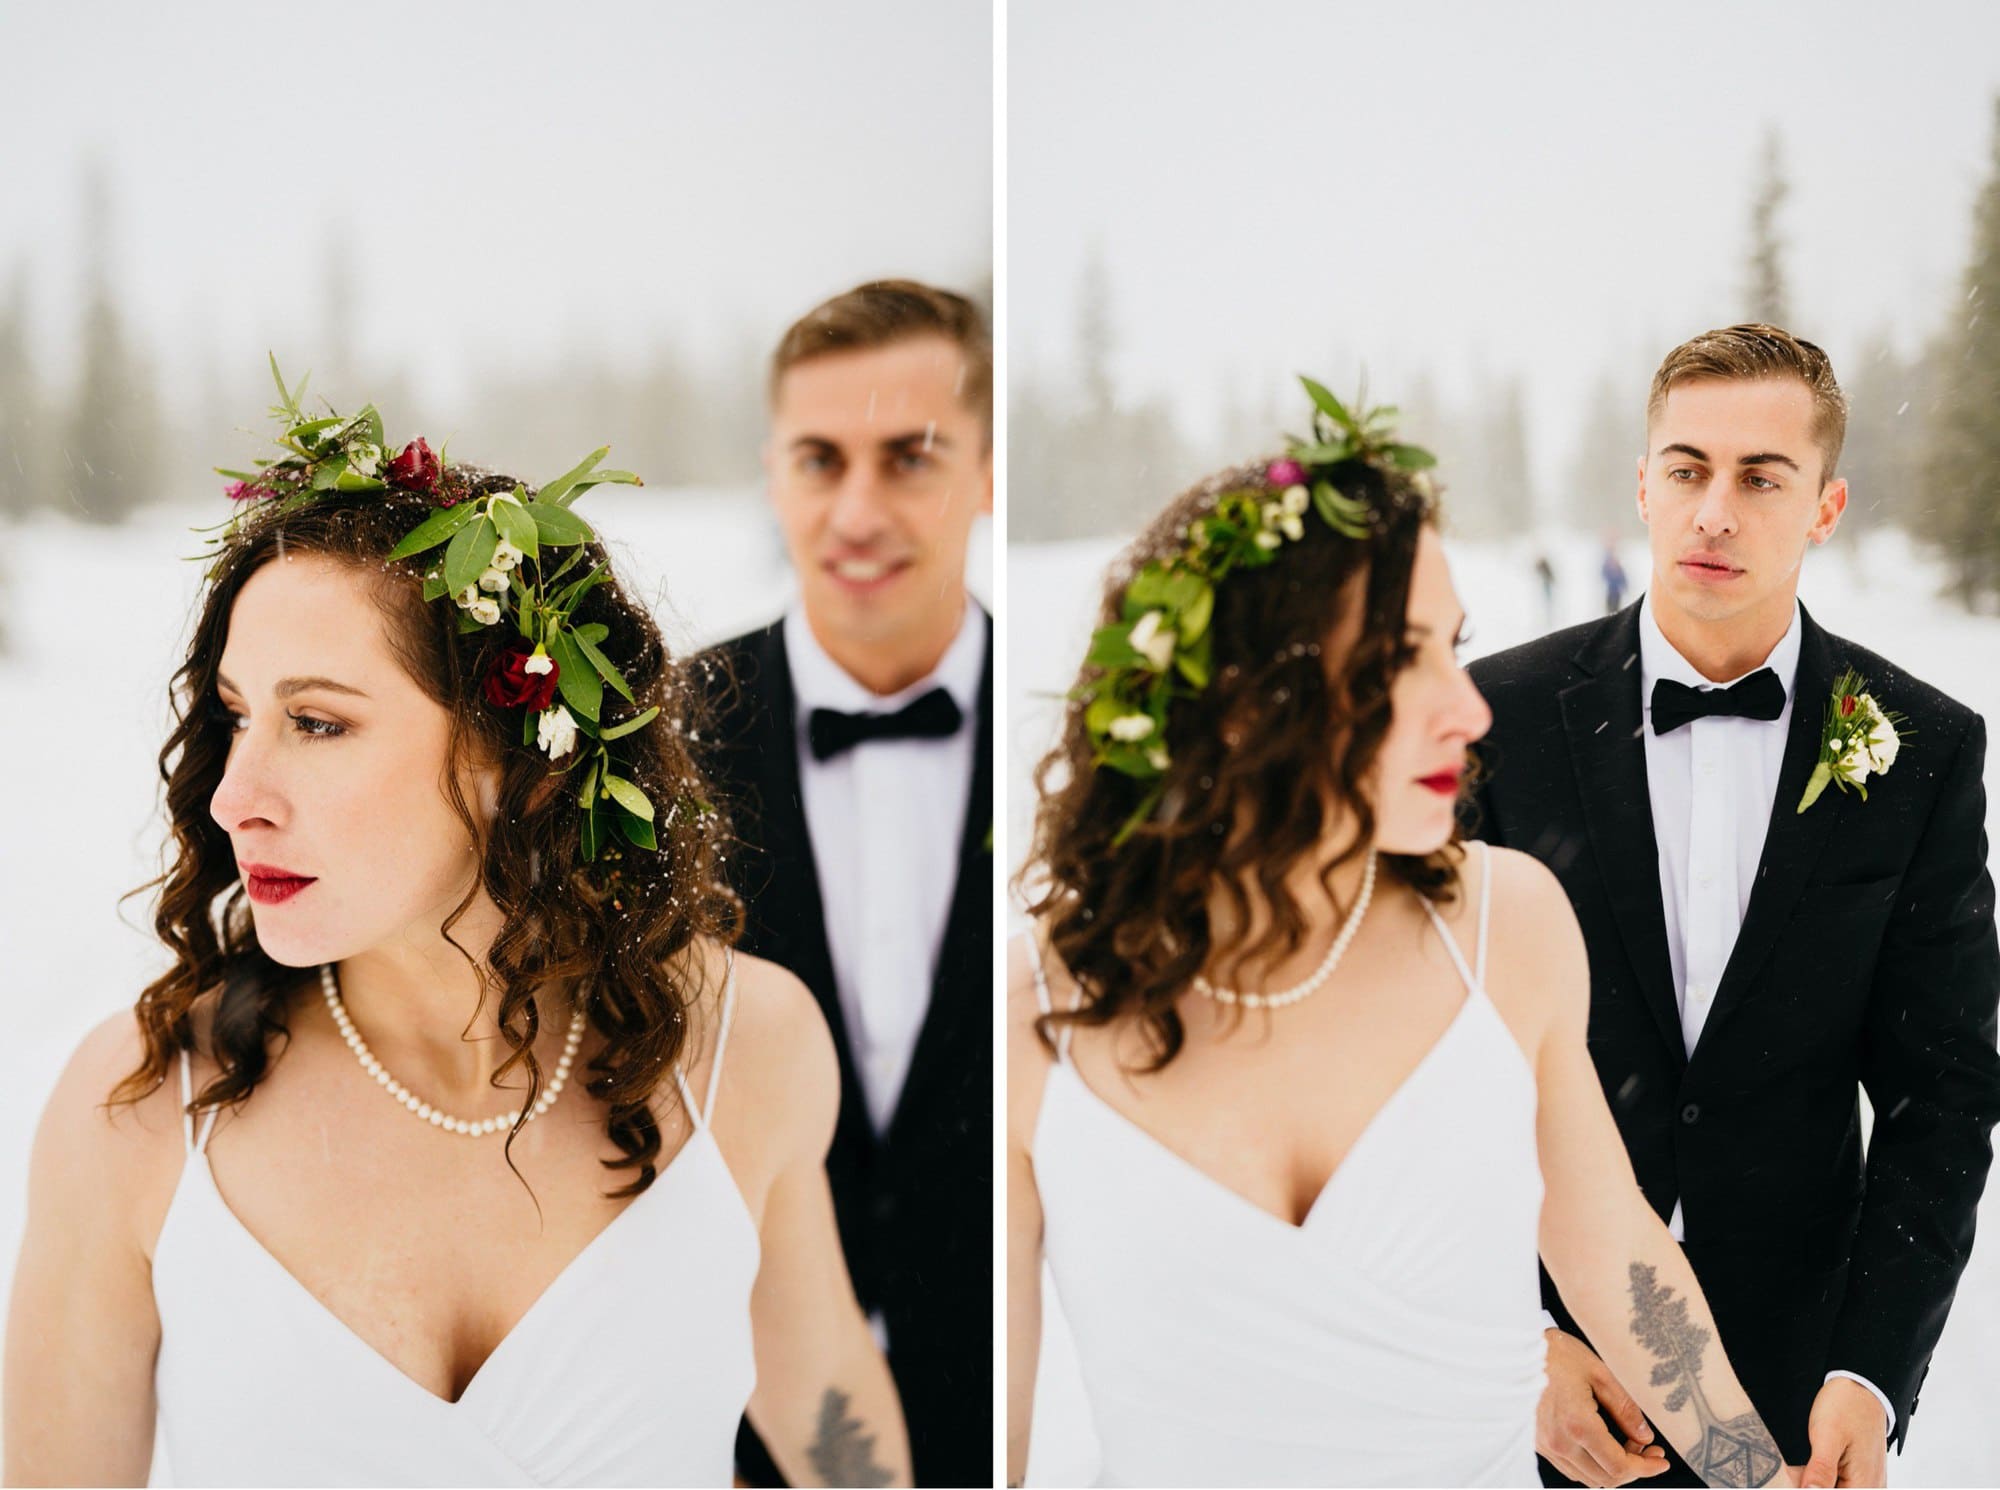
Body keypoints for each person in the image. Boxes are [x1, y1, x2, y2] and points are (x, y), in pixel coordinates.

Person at [3, 379, 909, 1487]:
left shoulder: (743, 1047)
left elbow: (829, 1422)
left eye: (318, 721)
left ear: (511, 758)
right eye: (238, 715)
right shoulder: (141, 1108)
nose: (237, 792)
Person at [1007, 380, 1795, 1489]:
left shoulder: (1504, 925)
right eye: (1395, 659)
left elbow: (1617, 1259)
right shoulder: (1040, 1010)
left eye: (1454, 645)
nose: (1466, 707)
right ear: (1241, 692)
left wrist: (1753, 1476)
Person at [1467, 324, 2000, 1488]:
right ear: (1642, 485)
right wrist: (1518, 1338)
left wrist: (1867, 1370)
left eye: (1760, 477)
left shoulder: (1918, 749)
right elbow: (1416, 1069)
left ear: (1824, 505)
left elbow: (1943, 1094)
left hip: (1793, 1395)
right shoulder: (1487, 723)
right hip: (1543, 1388)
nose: (1713, 508)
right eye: (1685, 468)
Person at [701, 281, 993, 1487]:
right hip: (723, 1421)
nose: (857, 510)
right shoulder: (649, 743)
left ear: (985, 467)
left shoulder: (1083, 742)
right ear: (773, 471)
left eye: (908, 457)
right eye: (820, 460)